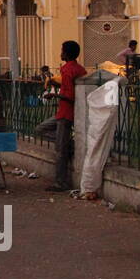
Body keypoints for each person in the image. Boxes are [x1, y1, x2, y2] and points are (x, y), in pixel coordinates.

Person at [50, 40, 87, 193]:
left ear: (66, 53)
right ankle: (70, 145)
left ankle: (61, 182)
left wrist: (54, 95)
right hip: (71, 112)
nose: (60, 53)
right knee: (42, 129)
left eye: (62, 50)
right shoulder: (80, 69)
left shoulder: (67, 69)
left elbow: (69, 95)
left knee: (60, 150)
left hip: (65, 112)